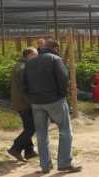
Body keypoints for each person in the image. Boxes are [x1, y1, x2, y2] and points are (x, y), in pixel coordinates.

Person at [23, 39, 81, 174]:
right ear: (56, 48)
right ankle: (64, 163)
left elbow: (24, 84)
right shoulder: (55, 59)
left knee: (42, 134)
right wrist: (61, 95)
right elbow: (63, 79)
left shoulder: (30, 62)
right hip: (54, 101)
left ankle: (45, 166)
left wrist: (32, 99)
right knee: (65, 131)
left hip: (36, 103)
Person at [7, 47, 38, 161]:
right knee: (31, 128)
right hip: (24, 103)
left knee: (28, 126)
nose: (37, 57)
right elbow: (25, 88)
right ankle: (15, 148)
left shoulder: (21, 65)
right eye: (35, 55)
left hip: (21, 101)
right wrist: (32, 102)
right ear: (29, 55)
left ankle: (29, 151)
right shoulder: (23, 68)